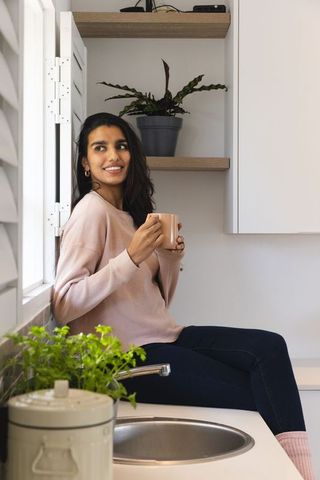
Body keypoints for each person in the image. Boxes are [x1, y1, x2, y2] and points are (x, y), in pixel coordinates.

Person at [53, 112, 315, 480]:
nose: (113, 156)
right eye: (100, 148)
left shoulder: (131, 214)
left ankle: (303, 473)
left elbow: (158, 301)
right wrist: (131, 258)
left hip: (164, 336)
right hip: (125, 359)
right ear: (85, 162)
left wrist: (168, 259)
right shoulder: (90, 213)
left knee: (269, 347)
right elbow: (64, 303)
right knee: (257, 391)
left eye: (121, 146)